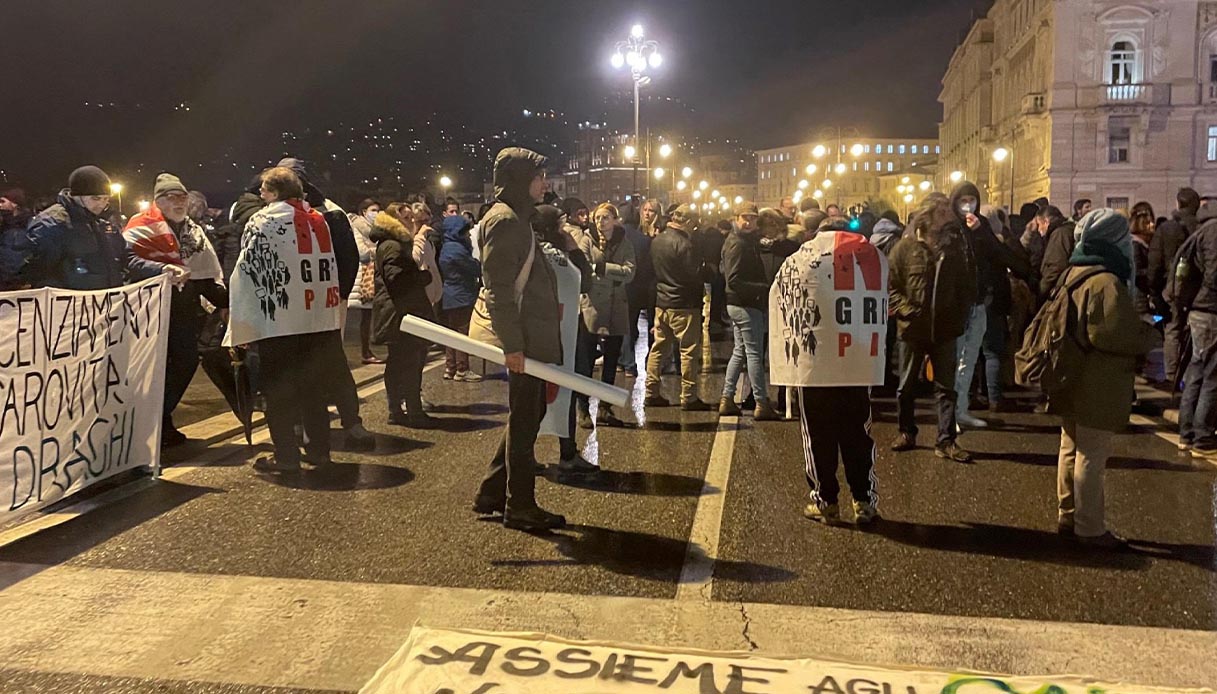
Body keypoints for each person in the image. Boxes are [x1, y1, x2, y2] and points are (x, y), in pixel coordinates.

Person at [472, 147, 566, 531]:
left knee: (527, 416)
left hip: (531, 337)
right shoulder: (506, 221)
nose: (544, 183)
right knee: (526, 422)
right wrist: (513, 346)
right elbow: (499, 291)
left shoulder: (517, 218)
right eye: (538, 176)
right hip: (524, 340)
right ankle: (521, 505)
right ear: (518, 180)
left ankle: (492, 493)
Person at [226, 167, 343, 472]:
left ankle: (286, 456)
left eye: (264, 191)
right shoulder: (319, 220)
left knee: (279, 391)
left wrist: (240, 321)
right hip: (316, 320)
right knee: (313, 389)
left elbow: (247, 271)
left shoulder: (263, 220)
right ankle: (320, 451)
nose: (261, 196)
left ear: (274, 193)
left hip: (279, 321)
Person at [770, 220, 887, 525]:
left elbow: (782, 300)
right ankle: (863, 501)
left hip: (815, 365)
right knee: (857, 434)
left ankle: (826, 502)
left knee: (818, 436)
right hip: (857, 363)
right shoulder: (872, 258)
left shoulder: (799, 261)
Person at [1053, 209, 1154, 549]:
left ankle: (1068, 514)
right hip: (1096, 378)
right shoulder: (1106, 281)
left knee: (1071, 447)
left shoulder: (1076, 269)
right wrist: (1147, 335)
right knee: (1091, 454)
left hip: (1072, 372)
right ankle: (1090, 528)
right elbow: (1112, 334)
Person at [123, 173, 228, 446]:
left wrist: (228, 302)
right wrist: (161, 269)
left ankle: (160, 418)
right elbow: (129, 260)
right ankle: (158, 426)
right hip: (151, 308)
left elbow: (202, 274)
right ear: (159, 201)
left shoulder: (193, 230)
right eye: (172, 197)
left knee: (184, 361)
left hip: (183, 308)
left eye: (182, 197)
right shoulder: (141, 225)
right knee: (156, 368)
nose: (179, 203)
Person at [888, 194, 975, 462]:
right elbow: (891, 287)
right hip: (912, 330)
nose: (945, 217)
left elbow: (967, 287)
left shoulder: (954, 249)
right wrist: (907, 311)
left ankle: (946, 440)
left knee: (946, 388)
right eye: (940, 213)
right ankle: (907, 431)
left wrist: (959, 319)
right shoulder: (904, 249)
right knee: (906, 386)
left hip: (945, 329)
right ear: (926, 217)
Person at [23, 166, 187, 290]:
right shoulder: (52, 224)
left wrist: (161, 269)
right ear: (77, 195)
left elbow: (126, 258)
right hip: (70, 314)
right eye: (96, 199)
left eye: (105, 199)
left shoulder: (103, 225)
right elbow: (38, 273)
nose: (101, 205)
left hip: (101, 311)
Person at [532, 203, 597, 472]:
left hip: (552, 330)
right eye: (560, 226)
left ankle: (563, 452)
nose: (565, 230)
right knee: (547, 394)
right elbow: (586, 282)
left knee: (549, 394)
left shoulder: (533, 250)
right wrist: (574, 251)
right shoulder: (554, 255)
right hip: (556, 332)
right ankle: (565, 453)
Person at [372, 203, 438, 428]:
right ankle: (411, 411)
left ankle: (399, 410)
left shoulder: (394, 244)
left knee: (401, 362)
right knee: (409, 362)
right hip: (400, 314)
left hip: (398, 312)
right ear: (393, 221)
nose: (411, 221)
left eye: (412, 217)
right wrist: (423, 278)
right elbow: (396, 279)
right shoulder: (393, 246)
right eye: (406, 218)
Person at [571, 202, 636, 428]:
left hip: (617, 305)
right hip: (594, 305)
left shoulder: (624, 242)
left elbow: (630, 272)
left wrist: (603, 269)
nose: (600, 222)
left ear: (615, 220)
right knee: (586, 358)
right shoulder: (587, 239)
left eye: (606, 217)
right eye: (597, 217)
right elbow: (585, 268)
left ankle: (605, 408)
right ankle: (583, 407)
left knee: (612, 359)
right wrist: (610, 272)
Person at [645, 204, 711, 409]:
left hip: (662, 302)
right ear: (689, 222)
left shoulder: (658, 240)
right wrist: (707, 271)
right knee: (688, 351)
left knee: (658, 348)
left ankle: (651, 391)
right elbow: (694, 275)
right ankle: (689, 396)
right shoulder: (685, 245)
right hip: (684, 304)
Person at [719, 202, 780, 420]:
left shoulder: (742, 240)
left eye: (752, 218)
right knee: (754, 354)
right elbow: (733, 279)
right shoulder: (738, 243)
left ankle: (727, 398)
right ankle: (761, 403)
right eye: (744, 217)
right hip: (745, 304)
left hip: (739, 304)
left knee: (740, 351)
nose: (748, 222)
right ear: (736, 218)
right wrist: (763, 288)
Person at [1176, 200, 1217, 456]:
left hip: (1199, 309)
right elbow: (1215, 274)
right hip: (1211, 310)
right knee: (1211, 373)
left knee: (1196, 370)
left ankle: (1187, 434)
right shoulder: (1214, 231)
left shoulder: (1201, 229)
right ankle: (1202, 437)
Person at [1150, 187, 1202, 385]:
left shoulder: (1167, 228)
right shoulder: (1203, 227)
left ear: (1178, 204)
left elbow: (1155, 260)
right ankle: (1192, 374)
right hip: (1199, 288)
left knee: (1173, 328)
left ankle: (1172, 375)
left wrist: (1154, 290)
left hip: (1172, 285)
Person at [438, 211, 483, 382]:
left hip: (451, 293)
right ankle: (462, 369)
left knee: (451, 333)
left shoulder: (447, 246)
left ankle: (450, 367)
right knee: (462, 332)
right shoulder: (456, 249)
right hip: (461, 294)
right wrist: (477, 263)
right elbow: (473, 267)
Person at [621, 198, 660, 378]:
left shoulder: (619, 236)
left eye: (651, 210)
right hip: (643, 285)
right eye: (645, 210)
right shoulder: (643, 238)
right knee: (641, 324)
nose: (647, 213)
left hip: (632, 286)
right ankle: (648, 363)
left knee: (629, 325)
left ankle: (630, 363)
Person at [348, 198, 385, 364]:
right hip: (364, 276)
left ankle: (368, 350)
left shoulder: (376, 230)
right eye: (373, 210)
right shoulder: (357, 228)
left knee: (369, 315)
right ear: (364, 212)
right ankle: (365, 351)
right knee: (365, 316)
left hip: (373, 273)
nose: (376, 213)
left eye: (378, 210)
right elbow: (362, 253)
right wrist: (378, 250)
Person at [0, 187, 32, 290]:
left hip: (21, 282)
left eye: (2, 201)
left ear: (15, 204)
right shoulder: (3, 225)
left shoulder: (30, 225)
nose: (0, 205)